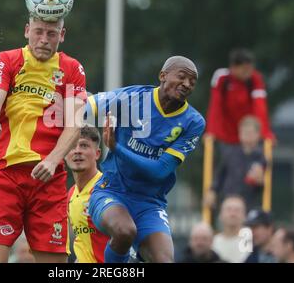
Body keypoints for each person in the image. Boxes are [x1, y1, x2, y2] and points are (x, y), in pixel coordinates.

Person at [0, 0, 87, 261]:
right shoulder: (6, 60)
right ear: (27, 31)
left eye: (52, 33)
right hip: (4, 174)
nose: (44, 39)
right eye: (38, 32)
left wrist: (52, 160)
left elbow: (75, 122)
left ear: (62, 35)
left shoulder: (73, 69)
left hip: (48, 180)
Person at [87, 56, 206, 263]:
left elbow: (160, 171)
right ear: (162, 75)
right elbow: (86, 106)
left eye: (192, 82)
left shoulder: (193, 122)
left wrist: (116, 148)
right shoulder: (131, 98)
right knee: (125, 231)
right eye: (182, 77)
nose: (187, 84)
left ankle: (135, 257)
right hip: (112, 191)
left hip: (150, 203)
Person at [205, 48, 274, 155]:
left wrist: (265, 133)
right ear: (233, 68)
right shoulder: (222, 78)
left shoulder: (255, 79)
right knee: (231, 168)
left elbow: (260, 107)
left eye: (250, 69)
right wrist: (211, 131)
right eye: (244, 69)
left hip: (248, 138)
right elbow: (215, 106)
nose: (248, 73)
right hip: (227, 136)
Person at [65, 126, 110, 263]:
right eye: (72, 146)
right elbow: (81, 239)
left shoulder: (108, 188)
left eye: (84, 146)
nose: (77, 151)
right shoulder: (71, 193)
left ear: (97, 153)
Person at [205, 116, 267, 211]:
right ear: (239, 134)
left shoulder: (261, 158)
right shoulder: (230, 153)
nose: (247, 136)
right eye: (244, 132)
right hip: (228, 200)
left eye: (250, 133)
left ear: (257, 135)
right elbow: (220, 175)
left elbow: (262, 186)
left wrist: (259, 180)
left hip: (249, 204)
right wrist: (212, 191)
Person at [212, 196, 251, 263]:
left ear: (245, 216)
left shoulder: (253, 243)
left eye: (237, 210)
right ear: (220, 215)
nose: (233, 214)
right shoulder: (212, 243)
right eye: (228, 210)